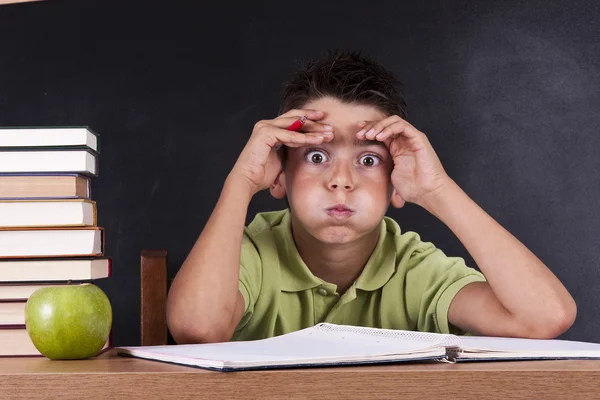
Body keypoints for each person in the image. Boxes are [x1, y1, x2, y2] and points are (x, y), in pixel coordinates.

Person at [166, 50, 577, 344]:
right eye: (315, 155)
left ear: (395, 180)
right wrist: (240, 181)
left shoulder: (414, 269)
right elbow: (198, 328)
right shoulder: (249, 254)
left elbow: (545, 316)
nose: (341, 181)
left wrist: (437, 190)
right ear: (279, 175)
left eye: (367, 159)